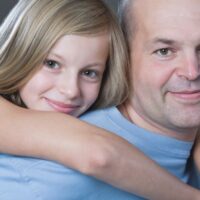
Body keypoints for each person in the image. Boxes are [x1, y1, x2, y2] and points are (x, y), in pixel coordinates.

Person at [0, 0, 200, 199]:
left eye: (89, 72)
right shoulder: (45, 180)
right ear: (124, 60)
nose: (192, 72)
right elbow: (99, 155)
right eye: (164, 51)